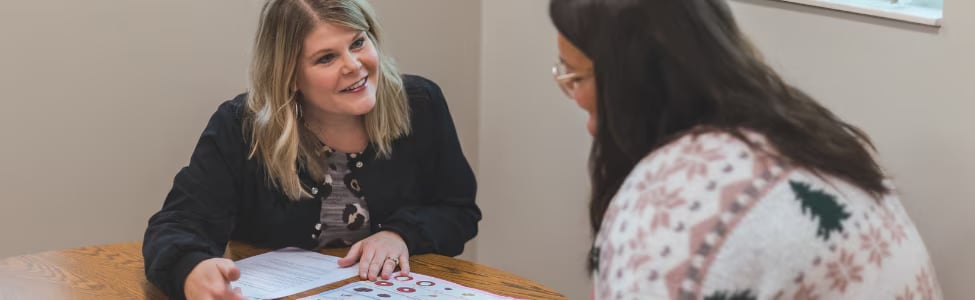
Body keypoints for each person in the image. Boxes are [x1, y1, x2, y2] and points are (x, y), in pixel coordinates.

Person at [549, 0, 941, 299]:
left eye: (575, 76)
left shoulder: (668, 207)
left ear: (631, 77)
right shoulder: (810, 139)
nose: (572, 93)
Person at [142, 0, 480, 299]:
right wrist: (190, 271)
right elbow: (177, 225)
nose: (353, 65)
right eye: (326, 58)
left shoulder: (420, 103)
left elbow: (458, 210)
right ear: (290, 76)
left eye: (358, 42)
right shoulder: (242, 127)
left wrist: (400, 235)